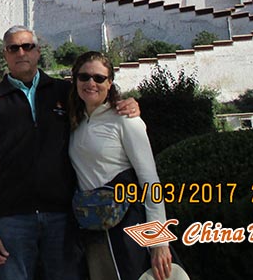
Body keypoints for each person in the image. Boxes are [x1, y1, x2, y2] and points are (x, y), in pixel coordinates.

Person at [0, 25, 141, 280]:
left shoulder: (64, 92)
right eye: (13, 48)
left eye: (27, 46)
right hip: (11, 220)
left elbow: (98, 106)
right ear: (5, 54)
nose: (21, 52)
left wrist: (125, 103)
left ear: (38, 52)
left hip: (62, 217)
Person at [67, 52, 176, 280]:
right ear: (75, 79)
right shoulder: (74, 122)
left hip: (128, 223)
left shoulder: (126, 119)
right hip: (95, 227)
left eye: (99, 78)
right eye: (84, 76)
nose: (90, 83)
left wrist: (159, 239)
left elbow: (149, 179)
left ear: (109, 83)